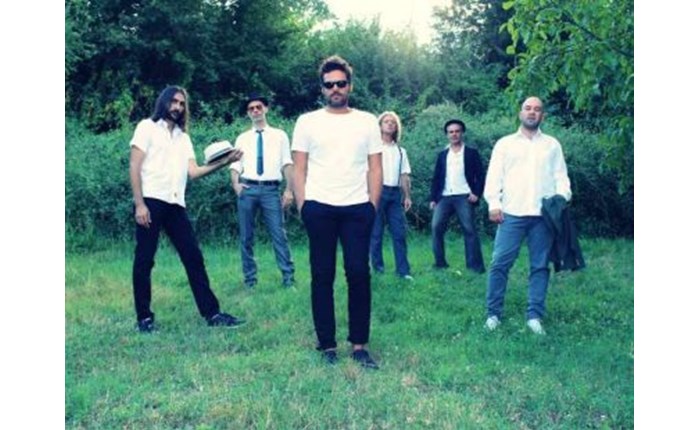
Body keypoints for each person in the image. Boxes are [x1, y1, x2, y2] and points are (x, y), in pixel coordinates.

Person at [129, 85, 246, 332]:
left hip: (175, 204)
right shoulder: (146, 127)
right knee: (145, 260)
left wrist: (225, 161)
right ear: (164, 101)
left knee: (193, 257)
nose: (178, 107)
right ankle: (144, 318)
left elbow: (193, 172)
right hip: (150, 200)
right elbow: (134, 166)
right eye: (174, 101)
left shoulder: (184, 138)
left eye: (182, 104)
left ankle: (212, 314)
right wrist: (139, 204)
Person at [291, 55, 382, 369]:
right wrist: (304, 206)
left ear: (350, 86)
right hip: (319, 207)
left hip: (357, 208)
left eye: (341, 83)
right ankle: (327, 345)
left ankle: (359, 346)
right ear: (322, 88)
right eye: (329, 85)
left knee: (358, 273)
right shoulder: (307, 122)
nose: (335, 89)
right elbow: (298, 168)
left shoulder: (367, 121)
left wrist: (372, 206)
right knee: (322, 275)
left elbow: (375, 167)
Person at [483, 96, 572, 335]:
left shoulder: (552, 144)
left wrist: (562, 198)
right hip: (511, 214)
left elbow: (561, 176)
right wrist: (494, 203)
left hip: (543, 216)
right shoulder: (505, 144)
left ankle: (534, 317)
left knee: (540, 266)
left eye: (537, 109)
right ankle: (493, 315)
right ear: (520, 113)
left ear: (543, 115)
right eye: (528, 108)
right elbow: (494, 176)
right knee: (500, 264)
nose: (532, 112)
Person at [230, 93, 295, 289]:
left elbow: (287, 163)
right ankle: (250, 280)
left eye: (258, 107)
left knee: (279, 234)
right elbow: (235, 164)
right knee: (246, 236)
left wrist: (289, 190)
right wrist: (236, 184)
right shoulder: (242, 138)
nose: (255, 111)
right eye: (251, 109)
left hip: (270, 190)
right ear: (248, 113)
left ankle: (288, 278)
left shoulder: (280, 135)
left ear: (266, 109)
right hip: (247, 189)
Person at [429, 119, 486, 274]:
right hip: (444, 197)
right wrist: (433, 198)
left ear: (462, 133)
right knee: (436, 227)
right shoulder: (443, 155)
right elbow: (436, 177)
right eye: (451, 132)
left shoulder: (471, 153)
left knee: (469, 229)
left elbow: (481, 175)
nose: (454, 134)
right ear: (447, 135)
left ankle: (475, 267)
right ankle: (440, 264)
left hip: (464, 196)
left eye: (457, 131)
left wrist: (476, 193)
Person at [370, 111, 413, 280]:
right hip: (376, 192)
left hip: (395, 195)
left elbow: (404, 175)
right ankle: (378, 270)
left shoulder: (401, 151)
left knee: (399, 233)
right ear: (380, 126)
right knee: (376, 233)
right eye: (386, 121)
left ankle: (403, 271)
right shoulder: (373, 148)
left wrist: (407, 196)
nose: (389, 124)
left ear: (396, 127)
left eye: (393, 122)